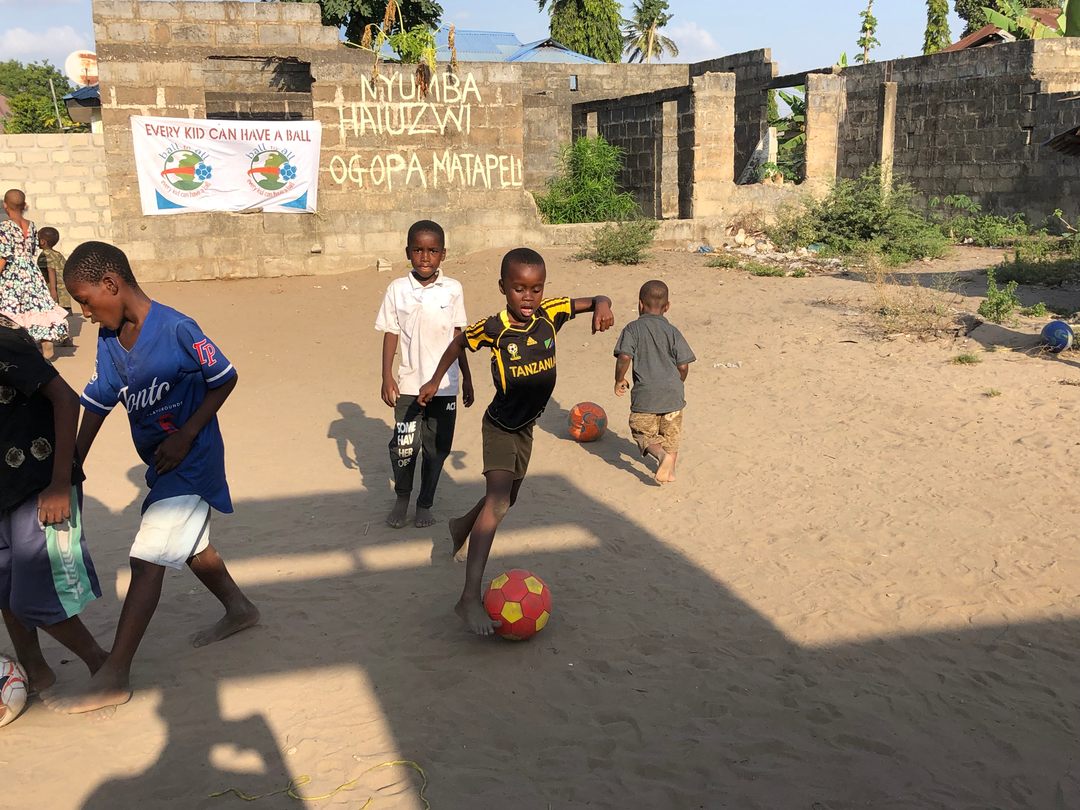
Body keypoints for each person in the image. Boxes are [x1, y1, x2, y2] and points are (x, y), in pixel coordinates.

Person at [47, 241, 259, 714]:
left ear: (110, 284)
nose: (84, 313)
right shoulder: (110, 340)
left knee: (146, 559)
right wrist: (70, 468)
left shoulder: (178, 328)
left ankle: (115, 674)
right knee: (192, 545)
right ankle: (240, 608)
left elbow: (224, 376)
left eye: (85, 301)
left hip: (193, 459)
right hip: (162, 465)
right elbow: (98, 402)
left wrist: (187, 433)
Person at [418, 247, 614, 635]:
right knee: (498, 502)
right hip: (500, 427)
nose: (528, 297)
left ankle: (461, 527)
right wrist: (436, 380)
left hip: (526, 427)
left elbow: (595, 299)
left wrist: (604, 306)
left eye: (536, 289)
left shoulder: (551, 314)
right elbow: (458, 344)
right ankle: (468, 598)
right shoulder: (494, 328)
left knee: (510, 498)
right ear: (503, 287)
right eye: (519, 289)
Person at [0, 313, 107, 701]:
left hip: (39, 485)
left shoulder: (3, 339)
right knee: (5, 588)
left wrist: (60, 483)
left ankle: (103, 665)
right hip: (4, 491)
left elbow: (66, 398)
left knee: (31, 599)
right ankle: (37, 673)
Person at [375, 220, 473, 529]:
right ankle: (402, 497)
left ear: (443, 254)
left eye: (432, 251)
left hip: (445, 386)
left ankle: (424, 503)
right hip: (409, 383)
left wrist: (467, 377)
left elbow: (458, 337)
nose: (425, 257)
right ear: (408, 252)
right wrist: (386, 376)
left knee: (436, 449)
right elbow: (391, 332)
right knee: (404, 446)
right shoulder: (397, 289)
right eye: (418, 250)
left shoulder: (453, 289)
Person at [613, 280, 695, 484]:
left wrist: (619, 379)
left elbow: (624, 356)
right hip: (673, 395)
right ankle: (669, 471)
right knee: (671, 435)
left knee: (642, 432)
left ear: (640, 304)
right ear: (667, 307)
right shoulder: (673, 331)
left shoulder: (632, 329)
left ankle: (661, 456)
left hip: (646, 396)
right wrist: (678, 383)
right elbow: (683, 365)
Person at [0, 190, 69, 356]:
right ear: (24, 205)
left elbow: (4, 256)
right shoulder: (31, 226)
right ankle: (46, 341)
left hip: (12, 274)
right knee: (37, 306)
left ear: (5, 205)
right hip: (31, 273)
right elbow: (31, 250)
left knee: (13, 308)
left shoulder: (4, 227)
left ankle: (18, 345)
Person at [37, 227, 73, 348]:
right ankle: (66, 338)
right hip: (63, 292)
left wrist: (52, 290)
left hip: (53, 292)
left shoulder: (45, 255)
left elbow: (50, 270)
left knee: (48, 316)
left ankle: (47, 339)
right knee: (61, 316)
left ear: (43, 242)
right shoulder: (58, 254)